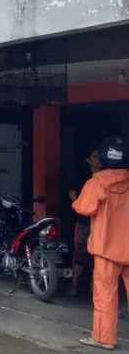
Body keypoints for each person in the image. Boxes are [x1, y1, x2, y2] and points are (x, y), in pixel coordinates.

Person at [73, 136, 129, 351]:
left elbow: (84, 208)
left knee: (105, 294)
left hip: (107, 248)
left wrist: (75, 199)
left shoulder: (96, 182)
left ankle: (104, 338)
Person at [67, 145, 102, 297]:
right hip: (84, 221)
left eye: (100, 155)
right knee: (80, 254)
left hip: (102, 221)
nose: (99, 159)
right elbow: (72, 195)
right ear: (88, 160)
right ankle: (74, 286)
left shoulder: (107, 176)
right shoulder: (81, 175)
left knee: (99, 257)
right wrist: (85, 208)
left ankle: (93, 290)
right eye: (95, 156)